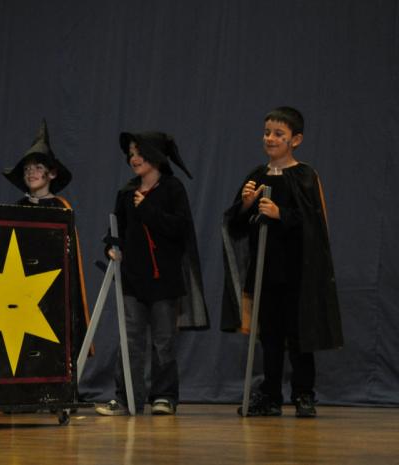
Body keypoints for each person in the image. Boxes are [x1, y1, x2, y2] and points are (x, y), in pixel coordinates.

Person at [221, 106, 343, 418]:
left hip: (297, 272)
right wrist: (246, 205)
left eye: (278, 134)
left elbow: (313, 225)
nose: (270, 138)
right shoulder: (256, 176)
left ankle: (303, 394)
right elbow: (236, 226)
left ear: (295, 140)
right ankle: (271, 395)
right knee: (270, 338)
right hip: (265, 272)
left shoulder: (305, 177)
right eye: (267, 133)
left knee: (299, 337)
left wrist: (281, 214)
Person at [95, 132, 209, 416]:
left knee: (163, 341)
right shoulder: (126, 192)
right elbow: (116, 230)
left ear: (155, 155)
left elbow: (180, 228)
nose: (133, 158)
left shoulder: (172, 189)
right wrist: (111, 247)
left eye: (139, 152)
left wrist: (148, 209)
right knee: (130, 340)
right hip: (133, 279)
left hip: (164, 280)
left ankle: (164, 396)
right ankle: (127, 398)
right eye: (131, 153)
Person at [3, 119, 91, 357]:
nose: (31, 172)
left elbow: (68, 256)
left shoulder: (61, 208)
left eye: (38, 167)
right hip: (21, 287)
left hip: (52, 288)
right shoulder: (17, 208)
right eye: (27, 169)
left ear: (51, 173)